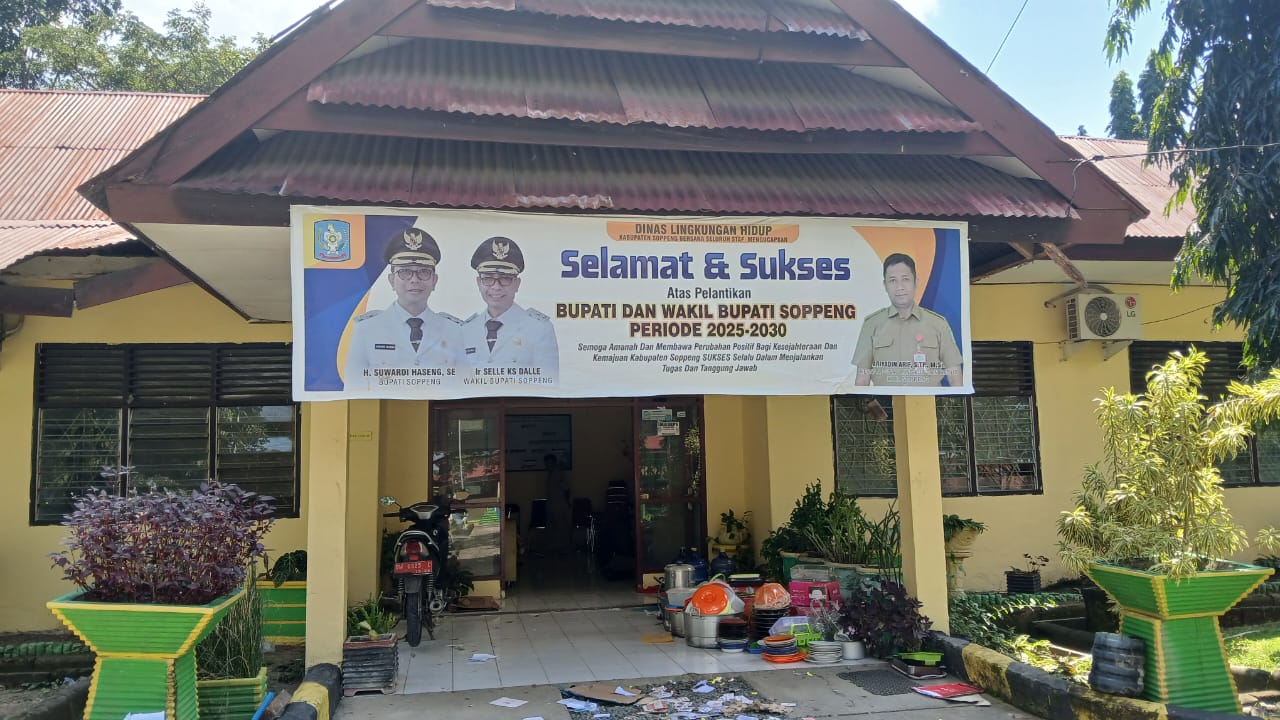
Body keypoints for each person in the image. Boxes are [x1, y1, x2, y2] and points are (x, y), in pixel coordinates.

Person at [342, 227, 463, 389]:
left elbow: (464, 387)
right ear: (391, 280)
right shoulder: (367, 329)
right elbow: (354, 387)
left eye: (423, 272)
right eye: (405, 272)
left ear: (434, 281)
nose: (414, 280)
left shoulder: (454, 331)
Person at [851, 252, 963, 387]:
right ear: (885, 285)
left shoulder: (938, 324)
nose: (900, 287)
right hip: (886, 400)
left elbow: (954, 374)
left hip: (928, 400)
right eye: (893, 280)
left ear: (916, 282)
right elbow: (862, 379)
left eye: (905, 279)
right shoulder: (872, 324)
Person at [461, 236, 559, 381]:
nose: (496, 287)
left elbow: (548, 385)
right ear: (478, 283)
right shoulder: (466, 330)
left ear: (517, 284)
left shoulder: (539, 329)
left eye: (505, 278)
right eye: (488, 278)